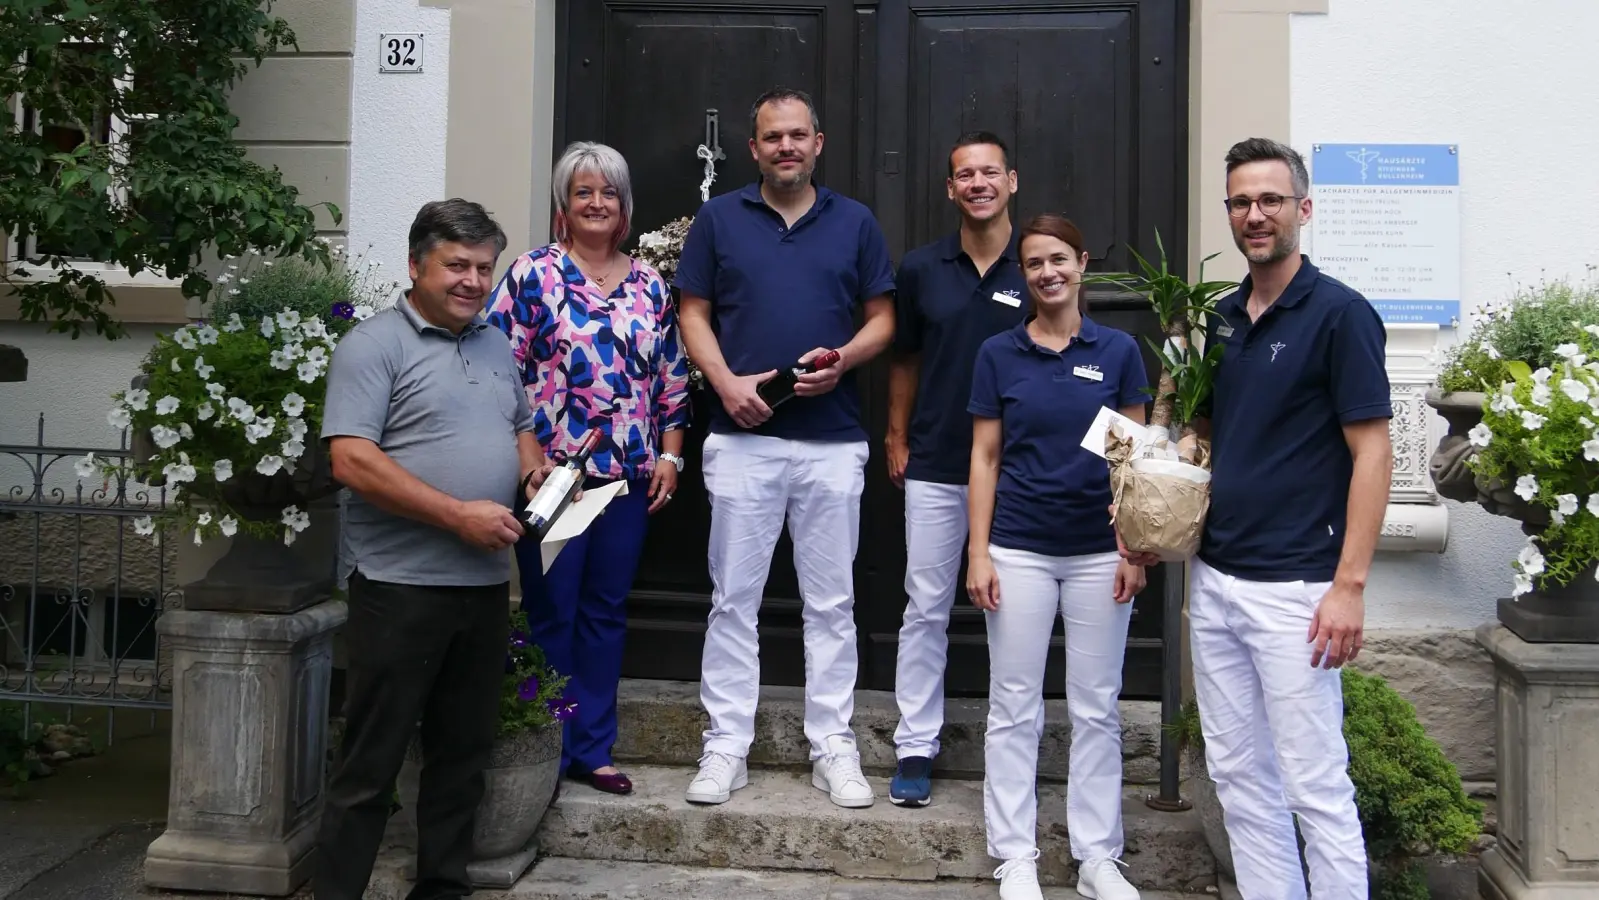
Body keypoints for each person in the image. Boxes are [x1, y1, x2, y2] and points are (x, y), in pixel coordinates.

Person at [1123, 137, 1391, 900]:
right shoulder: (1223, 318)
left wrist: (1350, 585)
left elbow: (1372, 454)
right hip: (1214, 579)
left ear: (1302, 209)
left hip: (1299, 590)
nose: (1254, 214)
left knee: (1313, 785)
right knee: (1239, 775)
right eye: (1240, 202)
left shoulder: (1339, 315)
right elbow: (1205, 434)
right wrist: (1151, 482)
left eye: (1269, 199)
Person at [316, 199, 546, 900]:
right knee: (369, 769)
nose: (473, 280)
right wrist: (455, 515)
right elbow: (350, 461)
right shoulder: (372, 346)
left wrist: (532, 466)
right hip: (398, 589)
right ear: (416, 265)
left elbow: (520, 425)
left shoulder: (494, 343)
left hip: (480, 588)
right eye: (456, 265)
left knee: (461, 760)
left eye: (483, 267)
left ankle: (442, 889)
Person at [673, 87, 896, 809]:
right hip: (742, 441)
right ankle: (725, 747)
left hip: (831, 442)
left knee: (831, 605)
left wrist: (847, 360)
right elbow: (692, 313)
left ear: (818, 143)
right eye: (772, 137)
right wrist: (723, 381)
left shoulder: (854, 222)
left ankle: (832, 745)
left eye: (797, 136)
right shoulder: (719, 219)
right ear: (754, 148)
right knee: (732, 601)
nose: (786, 147)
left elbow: (882, 320)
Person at [484, 141, 691, 795]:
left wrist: (670, 453)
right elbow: (497, 369)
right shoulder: (532, 274)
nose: (595, 202)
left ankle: (592, 749)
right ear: (562, 206)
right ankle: (544, 744)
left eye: (607, 192)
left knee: (605, 612)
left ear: (624, 207)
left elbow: (672, 378)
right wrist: (526, 461)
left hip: (626, 477)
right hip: (558, 481)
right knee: (552, 612)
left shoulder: (649, 283)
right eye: (582, 192)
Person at [967, 215, 1150, 900]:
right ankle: (1015, 854)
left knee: (1096, 705)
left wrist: (1132, 545)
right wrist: (977, 552)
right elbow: (983, 457)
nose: (1047, 273)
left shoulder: (1118, 351)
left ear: (1081, 263)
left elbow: (1129, 458)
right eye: (1034, 263)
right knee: (1014, 706)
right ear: (1024, 273)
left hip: (1099, 553)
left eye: (1058, 260)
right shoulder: (997, 354)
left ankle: (1097, 856)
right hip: (1016, 548)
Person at [884, 131, 1029, 808]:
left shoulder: (1037, 264)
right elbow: (904, 358)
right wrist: (895, 433)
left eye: (988, 172)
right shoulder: (919, 268)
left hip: (1020, 468)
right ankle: (915, 743)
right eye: (964, 174)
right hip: (938, 461)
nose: (977, 183)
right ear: (950, 189)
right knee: (925, 608)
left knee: (1015, 613)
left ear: (1011, 182)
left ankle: (1014, 747)